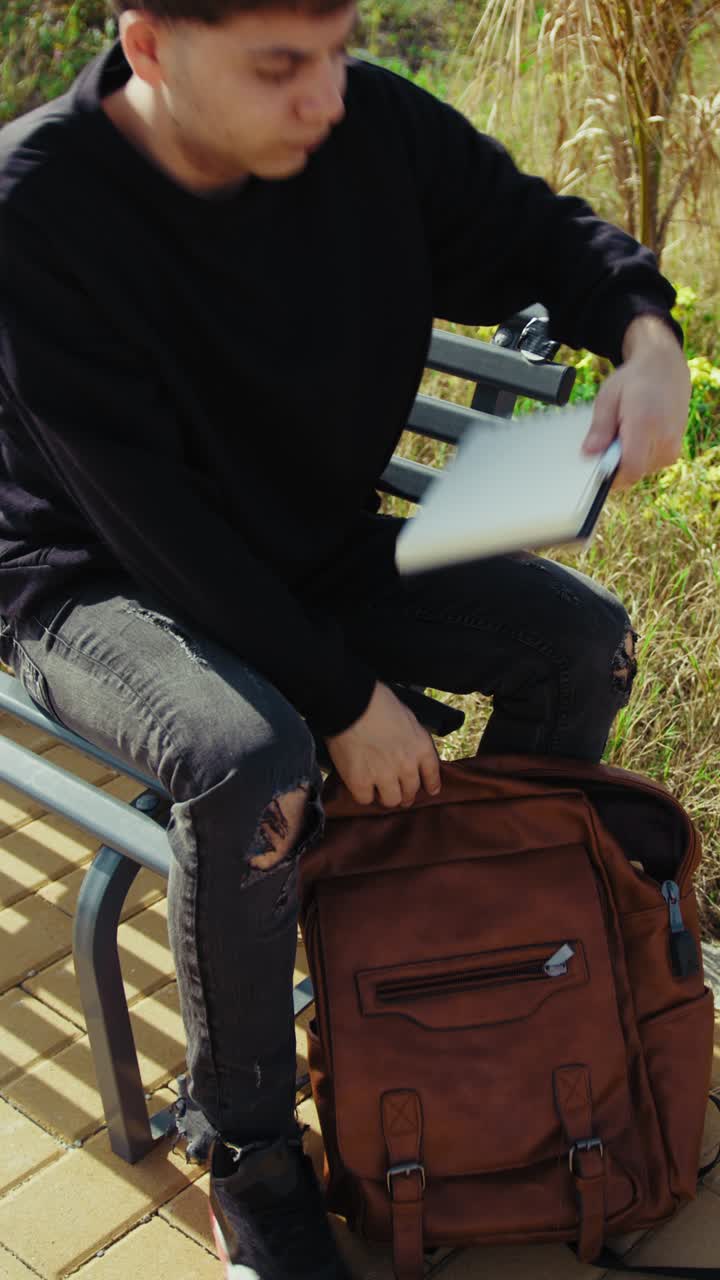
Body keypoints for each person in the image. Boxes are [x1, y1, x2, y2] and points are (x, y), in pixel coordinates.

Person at [0, 1, 691, 1275]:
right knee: (251, 758)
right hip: (90, 572)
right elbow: (155, 524)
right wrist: (341, 695)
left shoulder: (359, 123)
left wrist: (648, 337)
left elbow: (539, 227)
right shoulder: (41, 209)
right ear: (149, 48)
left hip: (305, 543)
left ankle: (459, 957)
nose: (328, 95)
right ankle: (251, 1153)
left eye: (336, 46)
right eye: (280, 66)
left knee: (578, 644)